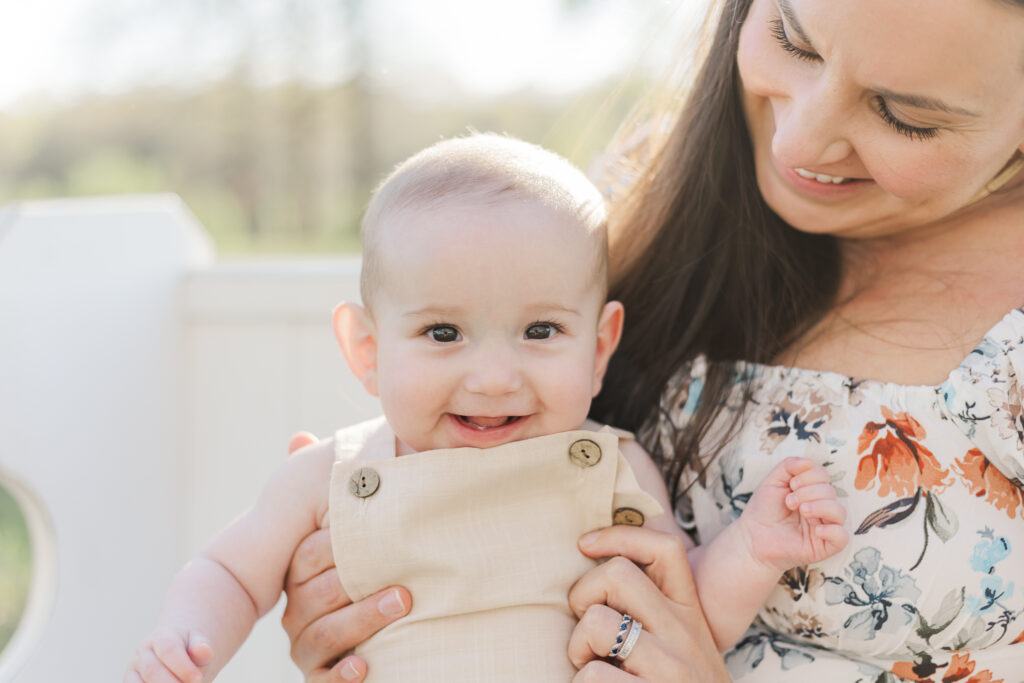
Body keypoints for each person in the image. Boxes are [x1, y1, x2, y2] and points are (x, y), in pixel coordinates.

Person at [275, 0, 1024, 680]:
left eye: (905, 115)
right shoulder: (633, 190)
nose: (800, 138)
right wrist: (367, 620)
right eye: (792, 40)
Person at [125, 133, 845, 683]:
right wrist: (189, 643)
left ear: (599, 348)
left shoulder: (614, 468)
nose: (496, 377)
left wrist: (753, 548)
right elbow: (227, 572)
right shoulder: (329, 474)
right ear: (368, 348)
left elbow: (684, 619)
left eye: (541, 331)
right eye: (444, 333)